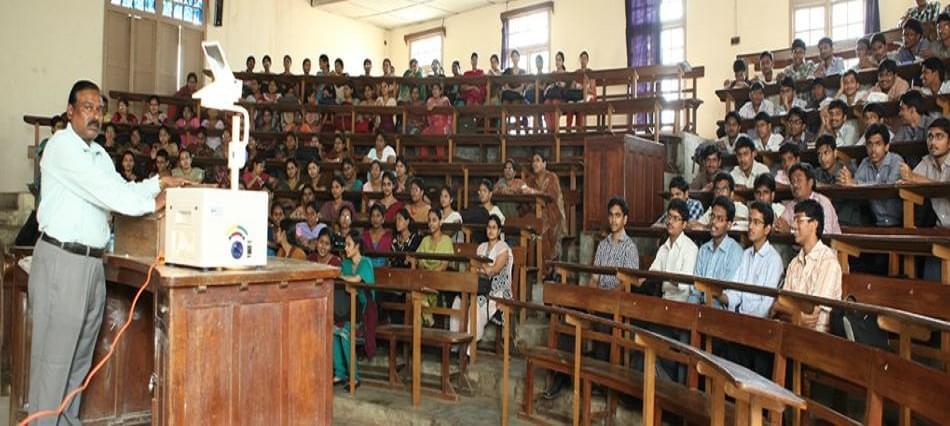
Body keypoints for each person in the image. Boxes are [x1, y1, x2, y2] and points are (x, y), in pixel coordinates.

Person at [29, 80, 187, 424]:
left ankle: (65, 422)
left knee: (79, 361)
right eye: (87, 107)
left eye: (100, 109)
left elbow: (119, 188)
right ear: (70, 111)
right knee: (53, 362)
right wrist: (153, 201)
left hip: (91, 265)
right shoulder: (61, 147)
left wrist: (159, 182)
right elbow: (108, 195)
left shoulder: (98, 154)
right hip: (62, 261)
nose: (95, 115)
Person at [775, 199, 841, 333]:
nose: (793, 226)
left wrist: (791, 311)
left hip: (817, 338)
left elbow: (813, 314)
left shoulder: (828, 261)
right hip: (792, 329)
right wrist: (796, 314)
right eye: (794, 221)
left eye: (799, 221)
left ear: (814, 224)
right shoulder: (794, 263)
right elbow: (780, 304)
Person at [450, 214, 511, 346]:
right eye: (489, 227)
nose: (491, 230)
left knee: (476, 304)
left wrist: (481, 265)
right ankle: (455, 343)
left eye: (494, 228)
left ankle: (469, 347)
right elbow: (473, 268)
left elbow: (493, 270)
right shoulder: (481, 247)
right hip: (477, 286)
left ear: (499, 231)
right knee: (457, 301)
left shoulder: (503, 248)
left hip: (495, 290)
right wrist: (480, 267)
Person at [720, 202, 783, 317]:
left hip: (757, 323)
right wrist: (719, 295)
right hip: (739, 316)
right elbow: (736, 292)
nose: (750, 226)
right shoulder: (746, 254)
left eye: (756, 222)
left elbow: (766, 305)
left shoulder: (774, 260)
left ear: (767, 229)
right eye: (750, 221)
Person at [839, 123, 906, 227]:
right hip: (875, 222)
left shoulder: (896, 161)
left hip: (900, 223)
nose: (873, 149)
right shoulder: (865, 162)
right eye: (870, 144)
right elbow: (855, 184)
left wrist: (854, 184)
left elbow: (887, 189)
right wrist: (848, 180)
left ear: (887, 146)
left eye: (878, 144)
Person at [334, 230, 375, 385]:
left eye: (349, 245)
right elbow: (345, 288)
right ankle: (339, 373)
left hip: (364, 309)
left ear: (357, 246)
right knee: (332, 330)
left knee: (345, 332)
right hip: (347, 306)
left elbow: (355, 280)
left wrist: (341, 277)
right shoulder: (345, 263)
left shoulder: (366, 262)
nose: (346, 248)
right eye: (345, 245)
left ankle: (354, 377)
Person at [690, 196, 744, 304]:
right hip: (701, 309)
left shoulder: (735, 252)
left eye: (720, 219)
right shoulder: (704, 249)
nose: (713, 222)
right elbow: (696, 290)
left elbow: (728, 294)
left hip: (721, 312)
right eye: (712, 216)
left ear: (729, 225)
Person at [900, 117, 950, 226]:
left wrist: (913, 178)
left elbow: (915, 178)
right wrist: (907, 177)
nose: (932, 142)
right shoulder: (927, 161)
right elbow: (911, 179)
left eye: (939, 137)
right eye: (930, 137)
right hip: (939, 228)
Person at [525, 153, 567, 274]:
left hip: (552, 214)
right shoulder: (530, 180)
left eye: (538, 160)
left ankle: (547, 269)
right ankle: (534, 267)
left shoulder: (552, 177)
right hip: (536, 214)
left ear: (544, 163)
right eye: (533, 161)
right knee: (530, 224)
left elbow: (551, 197)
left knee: (544, 227)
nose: (535, 164)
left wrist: (532, 192)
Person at [649, 199, 699, 302]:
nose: (670, 222)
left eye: (675, 218)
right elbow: (653, 272)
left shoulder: (691, 248)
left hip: (682, 302)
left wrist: (665, 275)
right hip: (664, 298)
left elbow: (684, 284)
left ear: (684, 224)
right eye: (669, 217)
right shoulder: (663, 247)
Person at [774, 163, 842, 235]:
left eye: (799, 180)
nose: (795, 185)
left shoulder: (823, 203)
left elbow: (825, 234)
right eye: (792, 181)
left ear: (810, 182)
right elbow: (783, 226)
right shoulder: (791, 206)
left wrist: (790, 231)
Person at [589, 198, 639, 289]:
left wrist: (610, 297)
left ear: (625, 219)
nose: (613, 220)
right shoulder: (602, 245)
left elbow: (629, 282)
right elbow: (594, 278)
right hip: (600, 296)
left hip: (618, 299)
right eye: (611, 215)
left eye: (617, 215)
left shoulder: (630, 248)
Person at [462, 179, 507, 244]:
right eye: (480, 191)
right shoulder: (476, 210)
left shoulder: (497, 212)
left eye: (484, 191)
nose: (482, 193)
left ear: (490, 194)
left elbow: (501, 235)